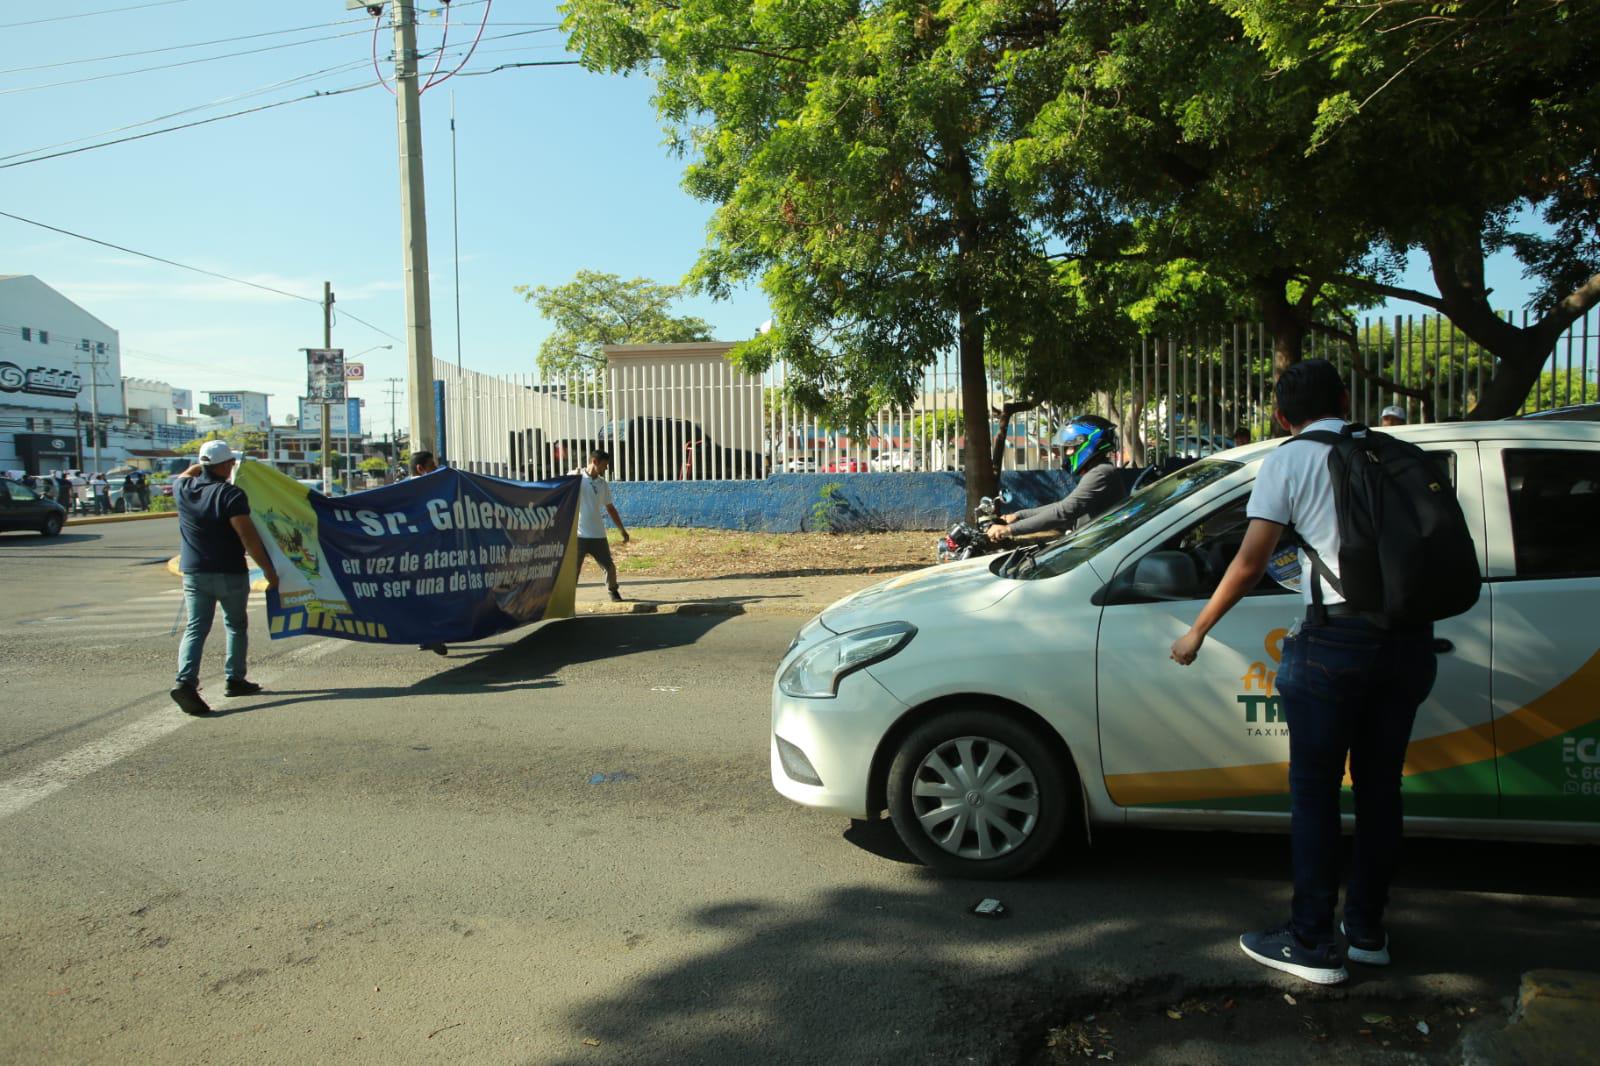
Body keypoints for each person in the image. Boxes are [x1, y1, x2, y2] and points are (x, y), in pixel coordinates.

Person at [1168, 359, 1438, 986]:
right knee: (1380, 790)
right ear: (1347, 398)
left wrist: (1197, 630)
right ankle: (1367, 931)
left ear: (1282, 416)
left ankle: (1312, 941)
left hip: (1336, 642)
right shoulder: (1391, 451)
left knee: (1315, 793)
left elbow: (1248, 560)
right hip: (1407, 640)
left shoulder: (1290, 459)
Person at [170, 441, 280, 716]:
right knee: (235, 624)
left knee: (196, 627)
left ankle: (185, 681)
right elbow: (248, 537)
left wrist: (203, 464)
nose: (233, 466)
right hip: (230, 572)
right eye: (230, 462)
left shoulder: (182, 489)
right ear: (222, 466)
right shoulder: (231, 495)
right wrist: (267, 569)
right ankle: (235, 678)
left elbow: (188, 471)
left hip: (195, 573)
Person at [986, 415, 1127, 541]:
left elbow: (1064, 511)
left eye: (1071, 447)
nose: (1067, 452)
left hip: (1098, 551)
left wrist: (1010, 529)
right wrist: (1018, 516)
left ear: (1087, 443)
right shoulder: (1099, 471)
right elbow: (1063, 505)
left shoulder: (1101, 474)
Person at [573, 448, 629, 602]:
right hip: (579, 535)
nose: (606, 468)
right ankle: (568, 597)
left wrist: (622, 530)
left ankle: (613, 591)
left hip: (598, 534)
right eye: (604, 465)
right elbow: (559, 487)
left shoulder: (603, 484)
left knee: (609, 567)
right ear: (594, 462)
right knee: (573, 570)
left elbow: (610, 508)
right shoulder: (576, 478)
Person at [410, 451, 450, 654]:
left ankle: (425, 637)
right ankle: (432, 636)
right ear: (421, 469)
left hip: (412, 554)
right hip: (429, 552)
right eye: (432, 466)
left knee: (420, 595)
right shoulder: (425, 489)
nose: (435, 470)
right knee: (435, 593)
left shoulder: (399, 490)